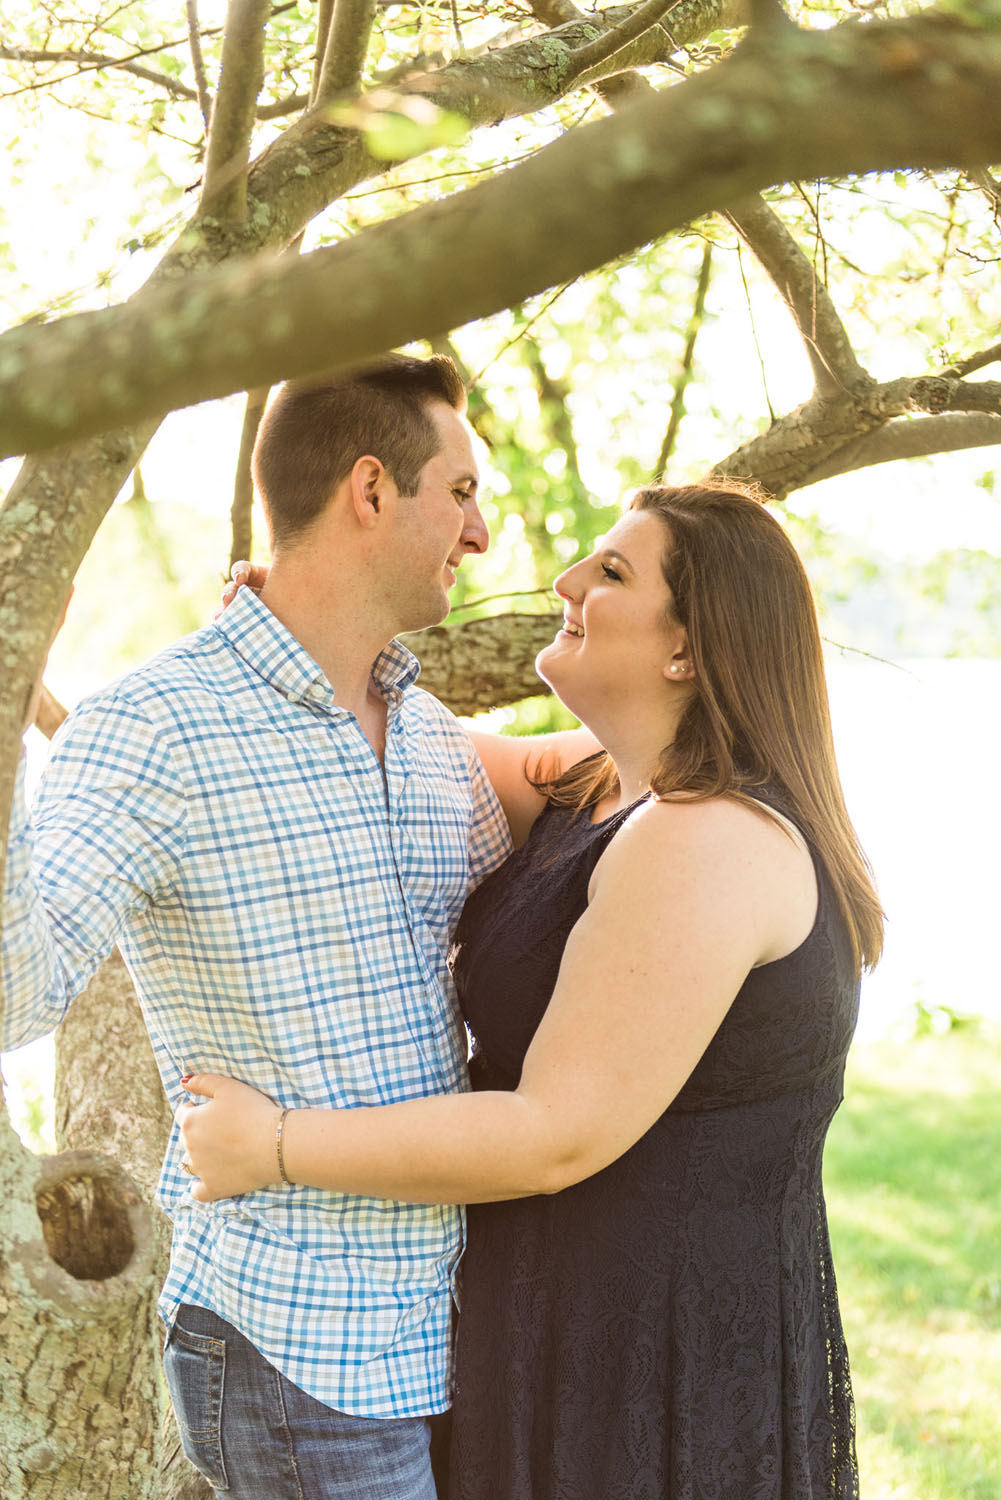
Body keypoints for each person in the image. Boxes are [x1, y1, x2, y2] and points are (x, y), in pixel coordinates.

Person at [181, 481, 883, 1500]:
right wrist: (304, 623)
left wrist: (276, 1145)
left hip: (643, 1369)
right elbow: (365, 746)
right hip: (571, 1326)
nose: (564, 580)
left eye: (610, 572)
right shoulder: (604, 782)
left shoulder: (708, 842)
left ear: (687, 647)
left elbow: (556, 1131)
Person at [1, 353, 554, 1500]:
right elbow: (14, 995)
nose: (482, 534)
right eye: (459, 493)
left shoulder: (430, 736)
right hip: (294, 1348)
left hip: (445, 1328)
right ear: (368, 490)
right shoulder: (156, 729)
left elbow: (556, 882)